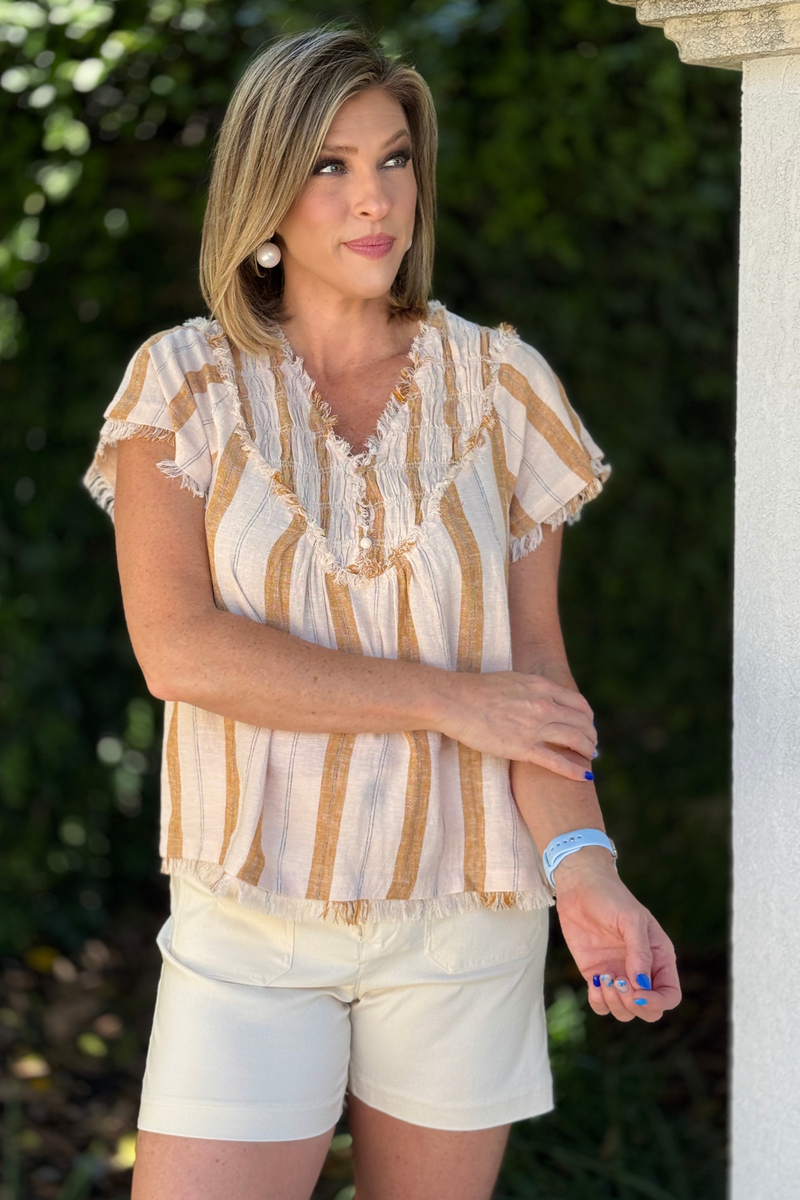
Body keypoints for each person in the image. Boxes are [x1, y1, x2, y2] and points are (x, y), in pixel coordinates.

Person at [84, 26, 681, 1200]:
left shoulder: (503, 384)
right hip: (246, 924)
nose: (375, 199)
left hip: (464, 924)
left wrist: (585, 869)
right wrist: (455, 703)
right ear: (265, 187)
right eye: (331, 164)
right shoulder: (184, 385)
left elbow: (537, 679)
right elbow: (180, 651)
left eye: (394, 159)